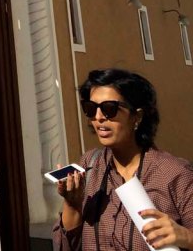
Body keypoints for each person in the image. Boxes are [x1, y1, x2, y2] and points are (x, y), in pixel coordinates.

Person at [53, 68, 193, 250]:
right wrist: (72, 204)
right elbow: (67, 246)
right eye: (90, 108)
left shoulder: (174, 174)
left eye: (109, 109)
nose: (98, 117)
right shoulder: (90, 165)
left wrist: (186, 237)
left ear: (137, 116)